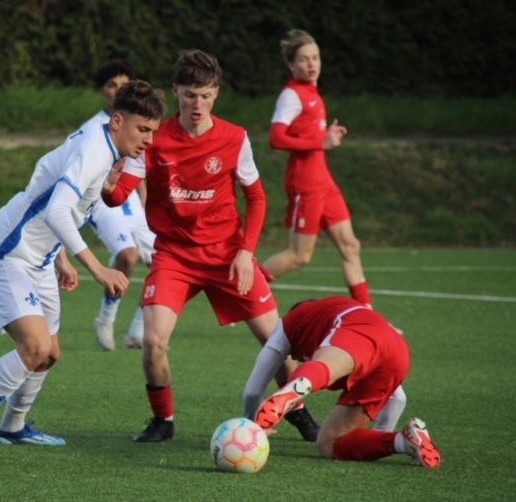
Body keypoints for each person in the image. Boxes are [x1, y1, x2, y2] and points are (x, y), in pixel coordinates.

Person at [102, 49, 320, 443]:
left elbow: (256, 198)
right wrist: (108, 188)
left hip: (227, 255)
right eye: (189, 95)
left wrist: (246, 253)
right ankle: (163, 420)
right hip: (174, 255)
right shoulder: (155, 139)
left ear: (216, 93)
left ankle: (299, 413)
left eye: (205, 95)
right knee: (152, 341)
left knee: (277, 341)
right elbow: (119, 195)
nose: (197, 104)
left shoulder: (235, 138)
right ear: (176, 92)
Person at [0, 80, 165, 457]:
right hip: (7, 254)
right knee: (34, 346)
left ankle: (13, 427)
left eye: (153, 131)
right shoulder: (95, 149)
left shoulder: (105, 147)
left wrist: (59, 257)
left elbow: (49, 184)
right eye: (143, 129)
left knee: (49, 354)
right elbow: (56, 209)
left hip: (41, 258)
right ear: (117, 121)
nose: (148, 139)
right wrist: (97, 268)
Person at [244, 296, 441, 468]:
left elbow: (253, 391)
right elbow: (398, 399)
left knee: (325, 366)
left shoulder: (288, 324)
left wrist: (253, 429)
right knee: (328, 444)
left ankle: (302, 382)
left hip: (356, 328)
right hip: (398, 352)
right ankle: (404, 442)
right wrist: (378, 439)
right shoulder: (333, 311)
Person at [261, 29, 372, 308]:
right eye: (303, 59)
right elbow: (276, 138)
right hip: (305, 183)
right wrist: (320, 142)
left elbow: (309, 134)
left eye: (315, 58)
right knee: (300, 256)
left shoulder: (312, 94)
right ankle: (241, 295)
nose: (311, 64)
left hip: (324, 182)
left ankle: (369, 317)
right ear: (291, 65)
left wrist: (324, 136)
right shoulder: (291, 95)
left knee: (350, 246)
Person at [82, 59, 157, 351]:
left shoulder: (138, 123)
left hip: (132, 202)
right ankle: (106, 319)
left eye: (124, 85)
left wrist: (145, 197)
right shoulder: (92, 128)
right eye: (112, 85)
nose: (118, 90)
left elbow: (137, 162)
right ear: (103, 91)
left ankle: (137, 331)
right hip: (104, 202)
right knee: (128, 255)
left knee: (165, 262)